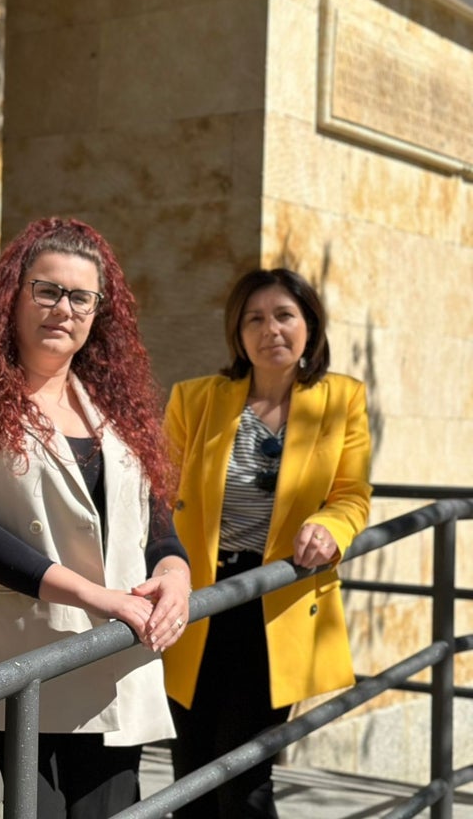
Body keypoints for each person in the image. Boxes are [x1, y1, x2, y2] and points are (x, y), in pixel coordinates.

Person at [0, 217, 191, 818]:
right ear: (12, 295)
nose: (63, 309)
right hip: (22, 678)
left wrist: (176, 578)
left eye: (81, 297)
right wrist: (94, 597)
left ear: (100, 311)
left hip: (117, 664)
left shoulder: (116, 411)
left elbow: (158, 526)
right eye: (46, 290)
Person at [162, 267, 372, 818]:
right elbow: (158, 493)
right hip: (200, 602)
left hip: (277, 604)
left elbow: (353, 494)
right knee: (189, 772)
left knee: (245, 776)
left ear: (309, 326)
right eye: (254, 318)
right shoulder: (195, 399)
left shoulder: (341, 398)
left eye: (284, 315)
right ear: (237, 331)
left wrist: (332, 527)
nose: (269, 329)